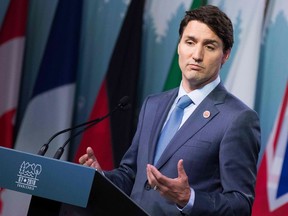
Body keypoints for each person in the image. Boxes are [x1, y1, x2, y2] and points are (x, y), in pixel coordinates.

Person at [79, 5, 261, 216]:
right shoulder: (153, 104)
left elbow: (240, 205)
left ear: (225, 55)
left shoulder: (238, 119)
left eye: (209, 46)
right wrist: (100, 176)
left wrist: (189, 198)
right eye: (190, 42)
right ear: (179, 46)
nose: (197, 55)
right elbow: (131, 174)